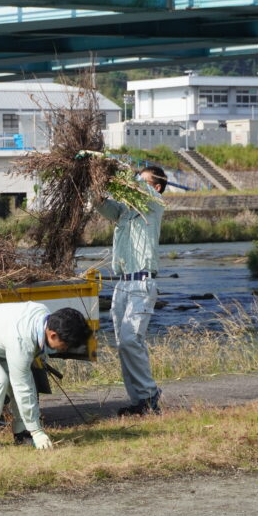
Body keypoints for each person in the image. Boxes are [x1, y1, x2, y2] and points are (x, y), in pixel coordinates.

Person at [0, 303, 93, 448]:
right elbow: (22, 387)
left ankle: (22, 433)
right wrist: (37, 431)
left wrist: (32, 429)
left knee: (25, 382)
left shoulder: (45, 317)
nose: (65, 349)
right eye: (64, 345)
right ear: (53, 335)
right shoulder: (22, 340)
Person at [95, 165, 167, 416]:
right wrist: (94, 180)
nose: (136, 184)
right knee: (124, 343)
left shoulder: (155, 203)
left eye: (143, 181)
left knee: (130, 339)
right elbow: (102, 205)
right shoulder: (125, 210)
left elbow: (137, 188)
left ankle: (149, 395)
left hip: (141, 282)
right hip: (122, 282)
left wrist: (119, 172)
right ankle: (140, 400)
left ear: (156, 187)